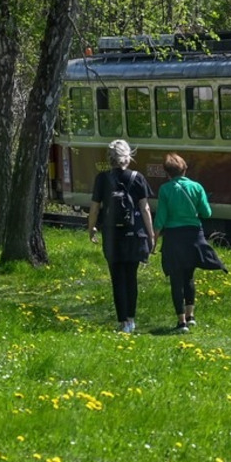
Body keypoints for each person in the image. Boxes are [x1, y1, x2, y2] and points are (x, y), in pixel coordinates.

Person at [88, 139, 156, 333]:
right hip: (134, 234)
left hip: (112, 236)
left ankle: (123, 322)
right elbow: (145, 209)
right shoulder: (137, 178)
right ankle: (132, 320)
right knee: (131, 278)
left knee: (117, 278)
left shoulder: (102, 179)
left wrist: (92, 228)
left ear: (110, 157)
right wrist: (151, 235)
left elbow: (94, 209)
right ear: (128, 156)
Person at [153, 153, 224, 333]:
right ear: (184, 169)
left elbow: (161, 218)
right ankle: (191, 316)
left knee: (176, 279)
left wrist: (153, 241)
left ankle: (181, 322)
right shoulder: (196, 187)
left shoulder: (165, 190)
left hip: (174, 238)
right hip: (194, 236)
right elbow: (206, 213)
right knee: (189, 277)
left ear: (167, 172)